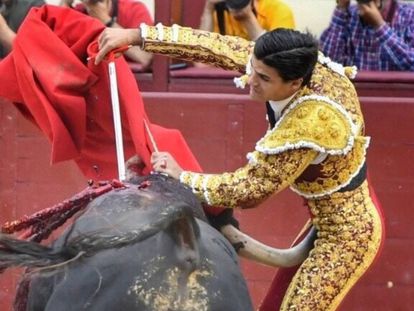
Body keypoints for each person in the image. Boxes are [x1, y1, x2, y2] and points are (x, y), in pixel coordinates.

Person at [95, 24, 385, 310]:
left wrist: (183, 177)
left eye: (263, 78)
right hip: (325, 218)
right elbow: (212, 46)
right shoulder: (287, 63)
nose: (251, 80)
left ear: (295, 84)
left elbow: (250, 190)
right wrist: (136, 36)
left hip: (346, 234)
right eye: (253, 69)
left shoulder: (311, 124)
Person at [320, 0, 414, 71]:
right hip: (355, 91)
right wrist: (341, 7)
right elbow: (326, 62)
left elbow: (411, 63)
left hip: (396, 93)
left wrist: (379, 26)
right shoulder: (349, 15)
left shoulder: (409, 15)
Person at [61, 0, 153, 67]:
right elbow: (57, 54)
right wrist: (64, 4)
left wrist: (107, 21)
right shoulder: (76, 13)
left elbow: (146, 57)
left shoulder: (134, 10)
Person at [199, 0, 295, 41]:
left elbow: (280, 58)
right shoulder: (220, 14)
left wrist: (247, 17)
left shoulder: (278, 10)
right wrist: (208, 10)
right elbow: (201, 63)